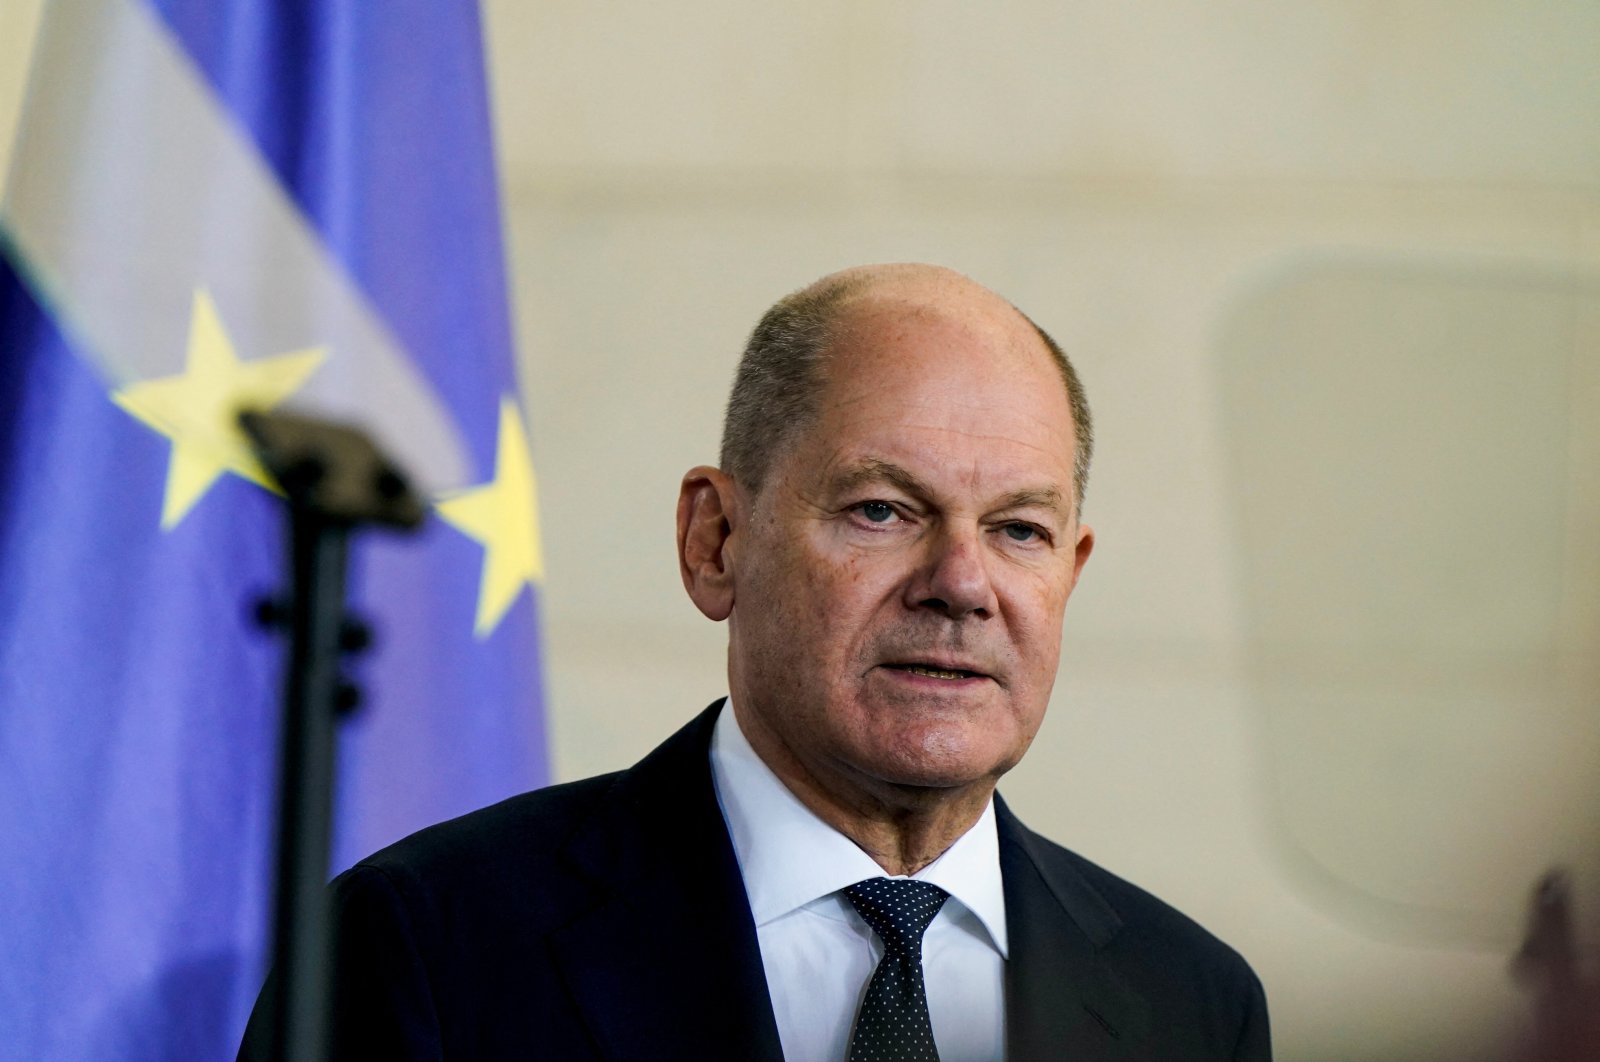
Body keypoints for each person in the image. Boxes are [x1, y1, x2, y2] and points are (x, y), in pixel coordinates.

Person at [240, 263, 1270, 1060]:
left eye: (1018, 530)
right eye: (882, 510)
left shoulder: (1190, 1001)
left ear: (1071, 571)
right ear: (715, 542)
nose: (960, 582)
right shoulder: (427, 946)